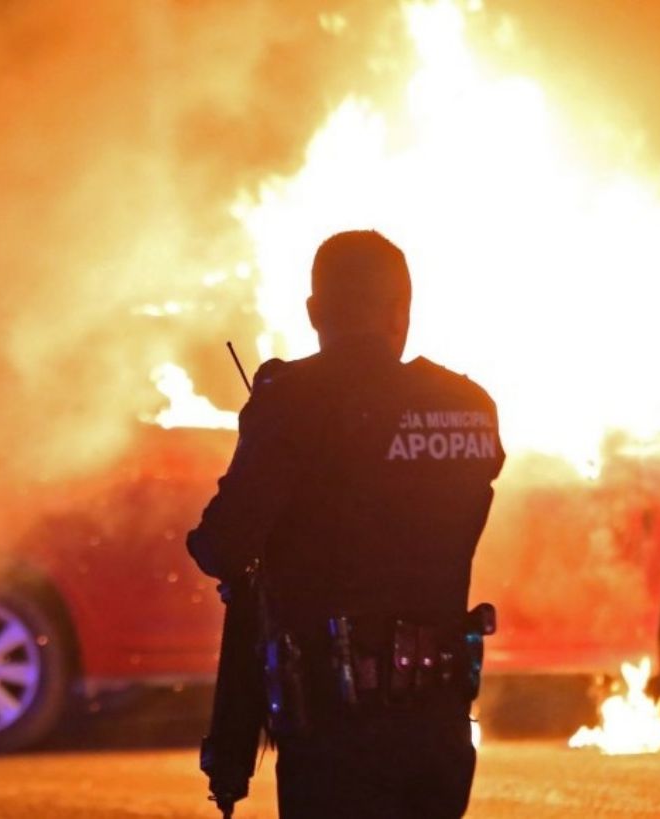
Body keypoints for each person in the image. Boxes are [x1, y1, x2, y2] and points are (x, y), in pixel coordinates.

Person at [187, 230, 505, 818]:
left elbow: (222, 546)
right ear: (401, 309)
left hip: (335, 734)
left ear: (314, 313)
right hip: (438, 730)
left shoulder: (293, 400)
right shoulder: (469, 407)